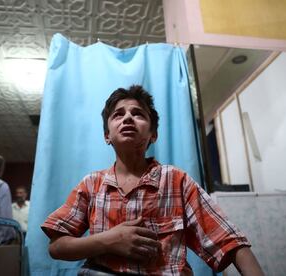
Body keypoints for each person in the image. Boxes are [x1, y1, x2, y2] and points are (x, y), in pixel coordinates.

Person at [41, 86, 264, 275]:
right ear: (106, 135)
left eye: (138, 113)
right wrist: (109, 240)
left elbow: (230, 242)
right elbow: (57, 247)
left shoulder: (176, 180)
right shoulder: (91, 185)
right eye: (118, 114)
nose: (127, 117)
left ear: (153, 135)